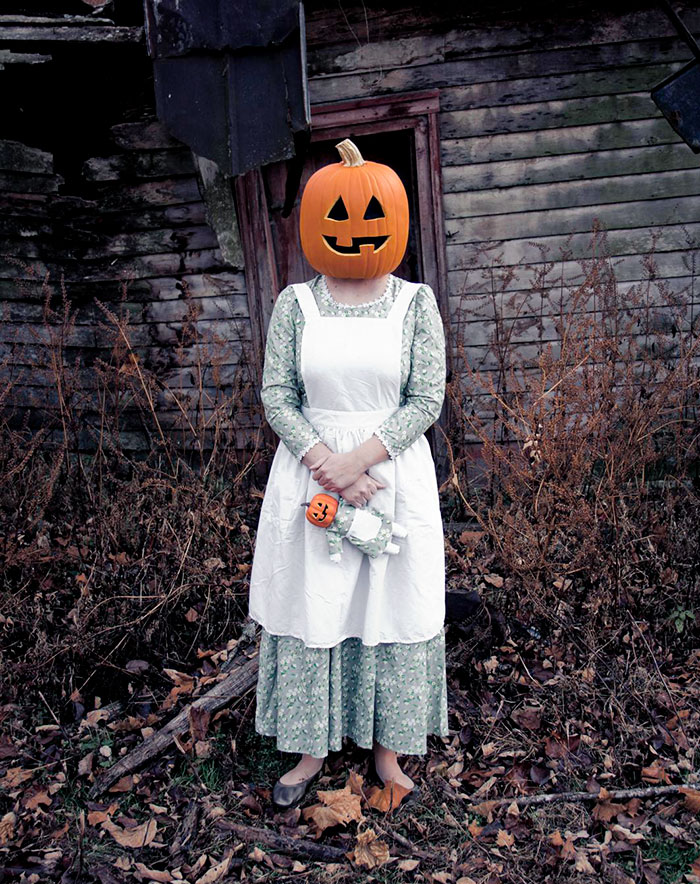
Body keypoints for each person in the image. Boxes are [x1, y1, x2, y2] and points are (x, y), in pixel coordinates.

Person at [247, 139, 449, 808]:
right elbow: (277, 395)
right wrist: (325, 467)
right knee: (317, 600)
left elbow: (426, 398)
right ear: (312, 220)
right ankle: (311, 751)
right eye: (335, 212)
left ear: (397, 220)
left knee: (390, 600)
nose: (354, 226)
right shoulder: (294, 306)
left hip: (392, 476)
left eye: (369, 214)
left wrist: (359, 462)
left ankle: (387, 754)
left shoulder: (415, 304)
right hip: (310, 476)